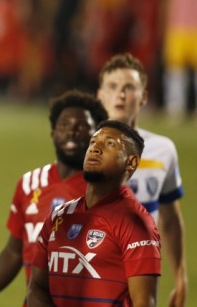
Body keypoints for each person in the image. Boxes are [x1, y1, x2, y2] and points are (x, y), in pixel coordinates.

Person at [0, 90, 108, 306]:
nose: (71, 133)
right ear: (53, 133)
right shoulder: (29, 183)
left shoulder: (105, 192)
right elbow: (14, 252)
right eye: (63, 126)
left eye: (81, 127)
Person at [27, 120, 161, 306]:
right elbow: (37, 287)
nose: (95, 149)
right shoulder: (59, 216)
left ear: (131, 162)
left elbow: (144, 302)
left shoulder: (135, 223)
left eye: (110, 144)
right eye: (93, 142)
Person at [97, 52, 187, 306]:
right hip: (93, 269)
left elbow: (169, 219)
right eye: (113, 87)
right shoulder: (83, 149)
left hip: (142, 271)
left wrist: (181, 275)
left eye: (129, 87)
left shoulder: (163, 150)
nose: (121, 95)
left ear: (144, 97)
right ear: (100, 95)